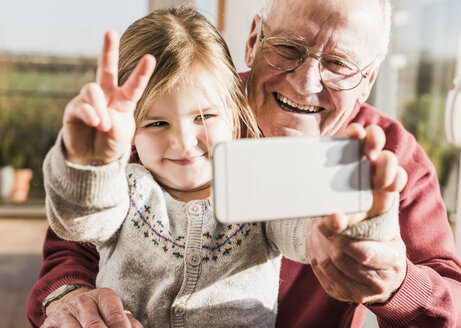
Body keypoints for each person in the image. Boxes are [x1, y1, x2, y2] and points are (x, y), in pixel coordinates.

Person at [26, 0, 461, 327]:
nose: (306, 82)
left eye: (338, 64)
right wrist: (70, 297)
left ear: (368, 79)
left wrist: (392, 277)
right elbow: (77, 233)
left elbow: (449, 304)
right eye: (289, 48)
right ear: (253, 40)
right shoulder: (178, 102)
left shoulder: (387, 155)